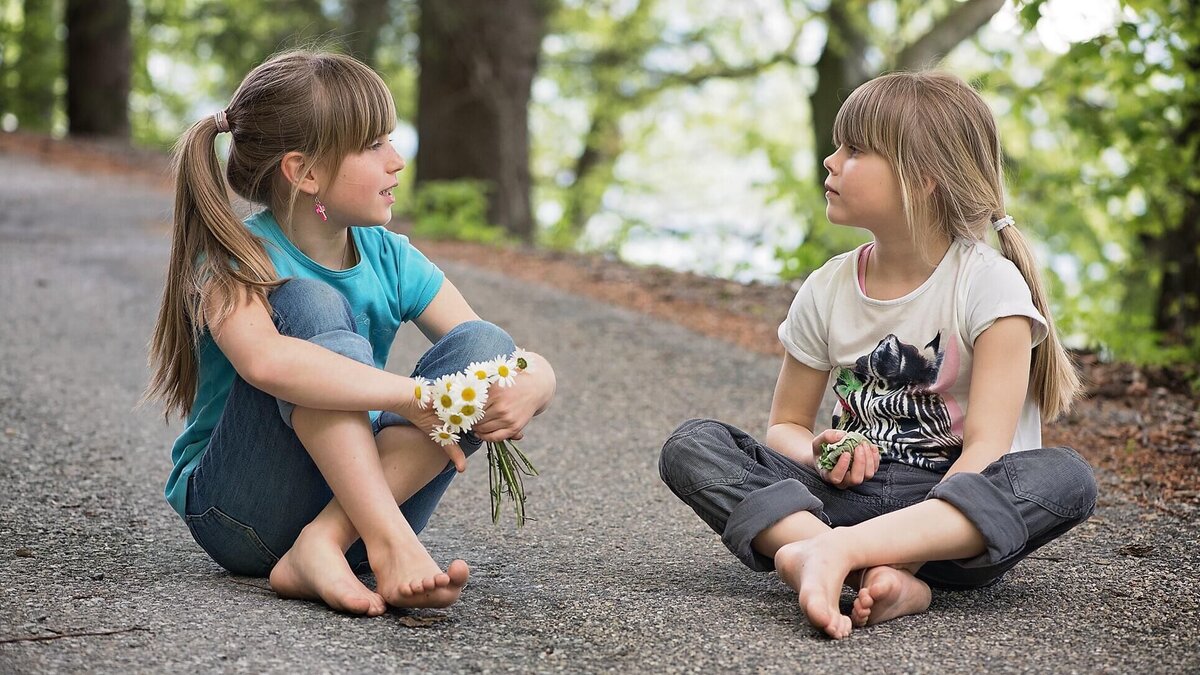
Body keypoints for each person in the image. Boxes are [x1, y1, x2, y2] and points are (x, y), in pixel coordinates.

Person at [659, 71, 1096, 639]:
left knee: (1065, 477)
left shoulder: (989, 287)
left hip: (950, 525)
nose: (831, 161)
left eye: (855, 150)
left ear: (925, 178)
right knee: (693, 445)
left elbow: (985, 451)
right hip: (839, 500)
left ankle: (828, 556)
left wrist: (905, 553)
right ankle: (843, 560)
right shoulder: (828, 286)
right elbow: (786, 425)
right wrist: (819, 452)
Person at [144, 51, 556, 616]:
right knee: (309, 302)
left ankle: (326, 542)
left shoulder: (390, 257)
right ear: (304, 172)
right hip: (243, 513)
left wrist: (538, 380)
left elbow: (491, 350)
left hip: (360, 513)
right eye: (373, 145)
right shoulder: (234, 259)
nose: (397, 162)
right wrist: (413, 396)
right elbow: (265, 363)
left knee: (484, 347)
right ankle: (387, 543)